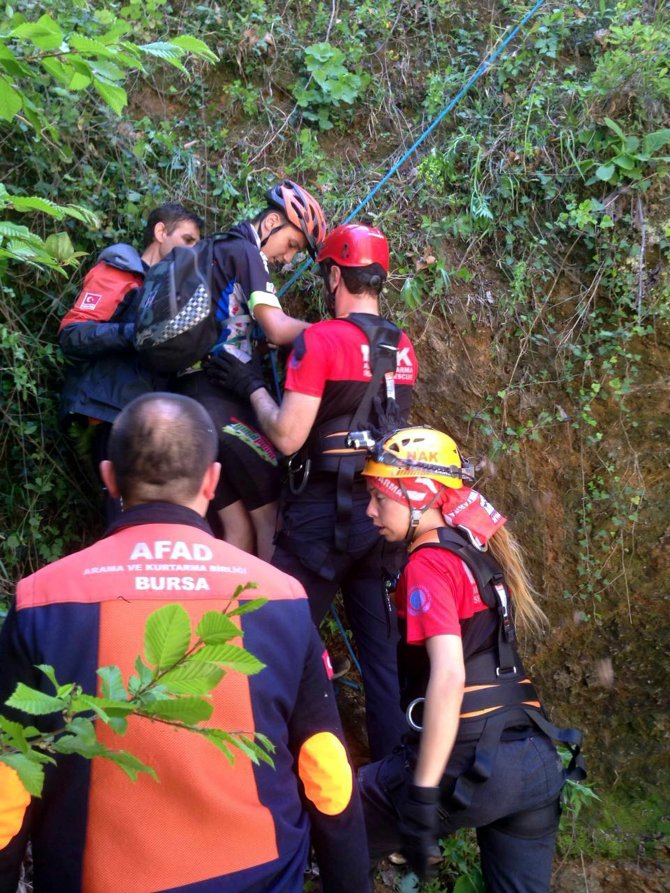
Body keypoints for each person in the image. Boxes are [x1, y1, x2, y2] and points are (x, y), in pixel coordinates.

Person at [0, 393, 370, 893]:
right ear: (212, 482)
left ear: (109, 479)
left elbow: (9, 781)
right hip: (260, 877)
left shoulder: (41, 599)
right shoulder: (277, 596)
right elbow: (326, 767)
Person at [205, 223, 419, 760]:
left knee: (269, 642)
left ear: (333, 275)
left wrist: (248, 383)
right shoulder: (403, 346)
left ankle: (262, 769)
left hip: (320, 523)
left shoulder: (323, 339)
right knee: (382, 665)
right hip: (381, 518)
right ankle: (389, 801)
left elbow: (286, 435)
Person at [357, 426, 584, 889]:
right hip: (535, 759)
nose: (369, 511)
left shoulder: (427, 564)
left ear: (418, 494)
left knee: (333, 818)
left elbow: (448, 676)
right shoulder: (476, 555)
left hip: (470, 764)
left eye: (379, 498)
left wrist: (422, 792)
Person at [174, 179, 327, 562]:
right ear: (272, 221)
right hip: (223, 403)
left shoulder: (214, 247)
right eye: (291, 244)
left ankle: (217, 617)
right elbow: (276, 326)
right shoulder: (246, 252)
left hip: (187, 402)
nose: (288, 258)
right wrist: (334, 333)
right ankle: (264, 621)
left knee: (237, 528)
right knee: (271, 522)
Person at [58, 202, 203, 471]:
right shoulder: (122, 271)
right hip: (104, 412)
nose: (192, 250)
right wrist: (136, 334)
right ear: (161, 232)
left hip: (145, 420)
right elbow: (73, 335)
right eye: (187, 239)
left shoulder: (173, 294)